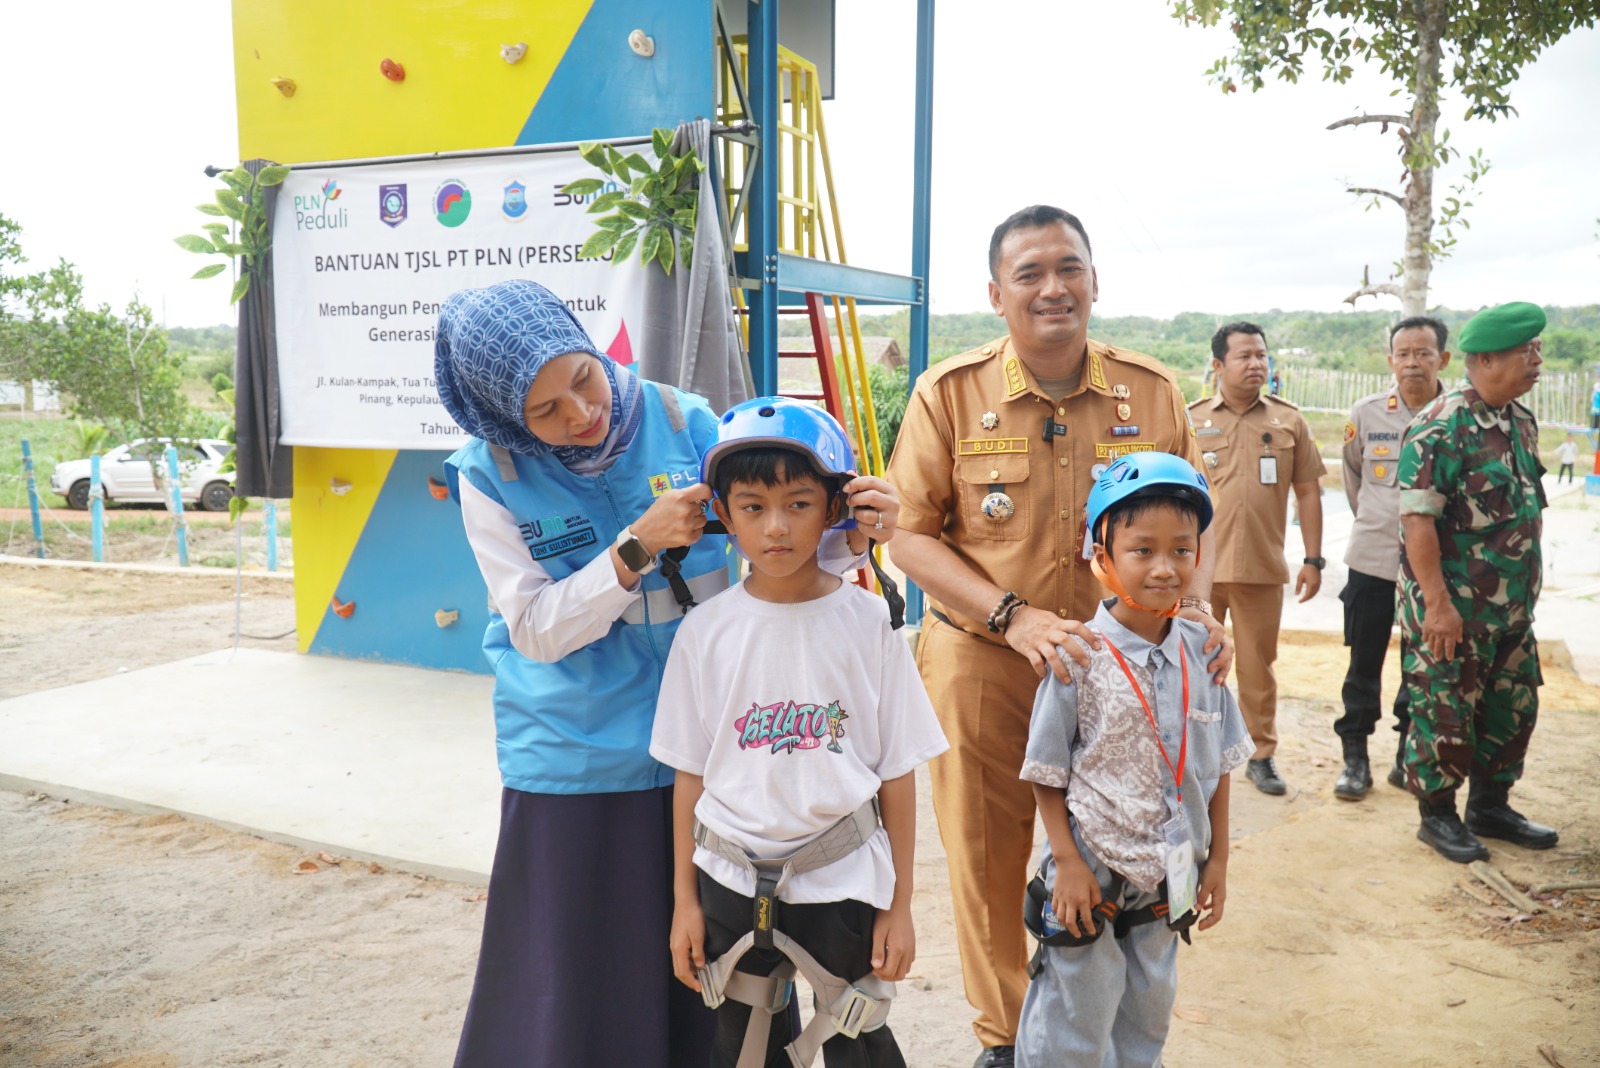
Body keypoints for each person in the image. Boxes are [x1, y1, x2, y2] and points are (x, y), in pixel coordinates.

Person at [434, 280, 901, 1067]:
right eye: (545, 411)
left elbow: (776, 552)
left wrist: (852, 537)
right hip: (579, 757)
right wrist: (633, 549)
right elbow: (535, 630)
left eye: (579, 378)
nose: (580, 413)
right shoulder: (489, 475)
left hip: (724, 749)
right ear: (503, 415)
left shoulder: (686, 420)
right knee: (582, 976)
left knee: (725, 964)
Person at [885, 205, 1229, 1068]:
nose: (1052, 287)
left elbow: (1197, 520)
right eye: (1030, 273)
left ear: (1094, 281)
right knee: (989, 854)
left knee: (1130, 845)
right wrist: (1013, 617)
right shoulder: (950, 393)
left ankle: (1112, 1022)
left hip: (1127, 664)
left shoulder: (1147, 391)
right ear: (997, 293)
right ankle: (1007, 1036)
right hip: (988, 658)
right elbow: (910, 534)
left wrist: (1198, 609)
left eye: (1068, 268)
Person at [652, 397, 948, 1068]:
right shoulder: (704, 632)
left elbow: (898, 772)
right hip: (726, 879)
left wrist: (900, 905)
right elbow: (689, 776)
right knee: (738, 1043)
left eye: (800, 504)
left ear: (835, 509)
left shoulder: (870, 623)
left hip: (841, 879)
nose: (777, 527)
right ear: (722, 515)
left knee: (857, 1036)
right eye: (753, 507)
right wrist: (683, 904)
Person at [1016, 452, 1252, 1068]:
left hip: (1171, 871)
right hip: (1090, 865)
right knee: (1074, 1013)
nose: (1165, 568)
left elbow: (1220, 762)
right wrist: (1066, 862)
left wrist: (1218, 857)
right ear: (1101, 555)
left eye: (1181, 549)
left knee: (1148, 1007)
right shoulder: (1078, 654)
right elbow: (1046, 771)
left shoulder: (1207, 651)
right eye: (1142, 550)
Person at [1398, 300, 1559, 863]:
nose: (1537, 360)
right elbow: (1417, 521)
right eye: (1526, 352)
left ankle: (1491, 805)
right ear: (1486, 360)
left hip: (1511, 610)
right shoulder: (1441, 425)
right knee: (1444, 712)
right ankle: (1437, 816)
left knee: (1511, 709)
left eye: (1537, 349)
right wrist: (1437, 606)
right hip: (1454, 610)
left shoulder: (1519, 420)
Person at [1187, 322, 1326, 796]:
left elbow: (1308, 492)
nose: (1256, 364)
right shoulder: (1192, 420)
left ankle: (1260, 755)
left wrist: (1313, 558)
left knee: (1258, 666)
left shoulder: (1288, 421)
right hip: (1200, 573)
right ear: (1219, 365)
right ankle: (1197, 753)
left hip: (1262, 568)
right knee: (1195, 662)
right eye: (1244, 356)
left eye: (1262, 355)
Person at [1332, 317, 1451, 799]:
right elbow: (1352, 480)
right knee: (1363, 664)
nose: (1412, 363)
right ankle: (1355, 759)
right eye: (1402, 353)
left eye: (1423, 353)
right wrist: (1381, 522)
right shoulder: (1366, 414)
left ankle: (1407, 753)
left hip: (1433, 568)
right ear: (1390, 361)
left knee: (1418, 665)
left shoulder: (1454, 415)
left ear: (1443, 359)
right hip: (1373, 560)